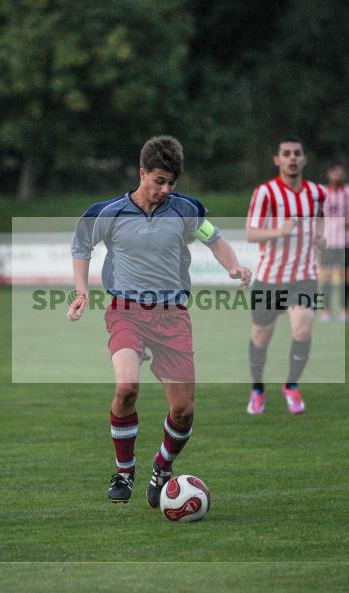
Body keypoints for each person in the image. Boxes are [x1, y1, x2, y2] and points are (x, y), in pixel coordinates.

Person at [68, 135, 251, 505]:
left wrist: (233, 265)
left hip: (172, 316)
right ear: (142, 174)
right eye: (159, 181)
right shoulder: (110, 212)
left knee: (183, 411)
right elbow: (81, 245)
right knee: (126, 387)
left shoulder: (185, 210)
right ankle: (124, 471)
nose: (165, 190)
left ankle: (162, 467)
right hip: (126, 312)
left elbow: (214, 239)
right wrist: (81, 291)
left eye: (171, 183)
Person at [245, 137, 325, 415]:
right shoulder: (265, 193)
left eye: (297, 153)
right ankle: (257, 389)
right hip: (270, 278)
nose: (292, 158)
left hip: (304, 276)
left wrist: (320, 237)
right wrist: (279, 231)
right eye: (286, 154)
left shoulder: (317, 192)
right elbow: (250, 233)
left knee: (302, 329)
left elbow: (320, 219)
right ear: (277, 160)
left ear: (304, 159)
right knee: (260, 338)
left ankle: (291, 386)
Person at [317, 162, 349, 323]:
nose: (337, 175)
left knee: (345, 277)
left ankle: (344, 310)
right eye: (334, 172)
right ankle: (326, 311)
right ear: (329, 174)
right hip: (328, 242)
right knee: (326, 277)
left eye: (340, 172)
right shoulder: (322, 192)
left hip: (345, 241)